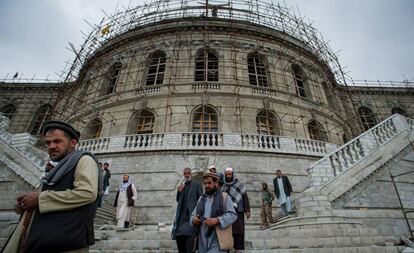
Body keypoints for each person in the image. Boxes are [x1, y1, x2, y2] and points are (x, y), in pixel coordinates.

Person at [3, 120, 101, 253]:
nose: (51, 146)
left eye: (57, 141)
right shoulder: (58, 167)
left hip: (64, 243)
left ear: (73, 143)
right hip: (43, 240)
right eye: (48, 143)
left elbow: (87, 193)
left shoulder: (84, 160)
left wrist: (39, 199)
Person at [190, 172, 237, 253]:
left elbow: (233, 215)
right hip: (202, 241)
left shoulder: (224, 197)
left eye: (209, 183)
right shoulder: (201, 199)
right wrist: (194, 220)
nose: (207, 186)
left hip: (218, 240)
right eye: (205, 183)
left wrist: (217, 220)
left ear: (216, 183)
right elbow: (192, 216)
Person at [172, 167, 203, 253]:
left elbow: (201, 200)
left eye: (188, 173)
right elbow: (178, 200)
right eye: (185, 173)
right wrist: (179, 191)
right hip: (181, 219)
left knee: (190, 243)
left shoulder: (197, 184)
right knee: (180, 240)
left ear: (191, 174)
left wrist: (198, 215)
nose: (186, 175)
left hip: (191, 217)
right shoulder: (182, 185)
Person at [221, 167, 250, 253]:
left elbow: (245, 198)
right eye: (227, 174)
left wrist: (247, 210)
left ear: (233, 175)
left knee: (238, 231)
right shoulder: (223, 187)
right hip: (227, 212)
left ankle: (237, 249)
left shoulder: (240, 185)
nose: (228, 176)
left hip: (238, 211)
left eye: (230, 174)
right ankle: (227, 248)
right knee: (227, 231)